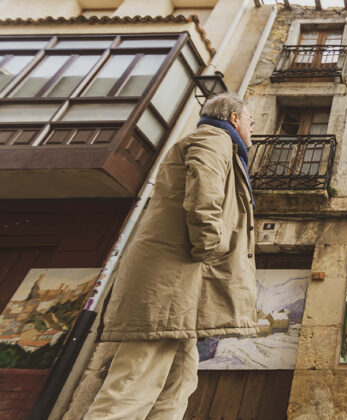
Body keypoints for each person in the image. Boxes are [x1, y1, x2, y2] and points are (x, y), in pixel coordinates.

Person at [85, 93, 258, 420]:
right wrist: (212, 246)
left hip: (183, 290)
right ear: (234, 118)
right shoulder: (214, 137)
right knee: (133, 383)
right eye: (250, 120)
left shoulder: (219, 141)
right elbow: (203, 193)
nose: (252, 128)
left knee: (178, 385)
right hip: (171, 285)